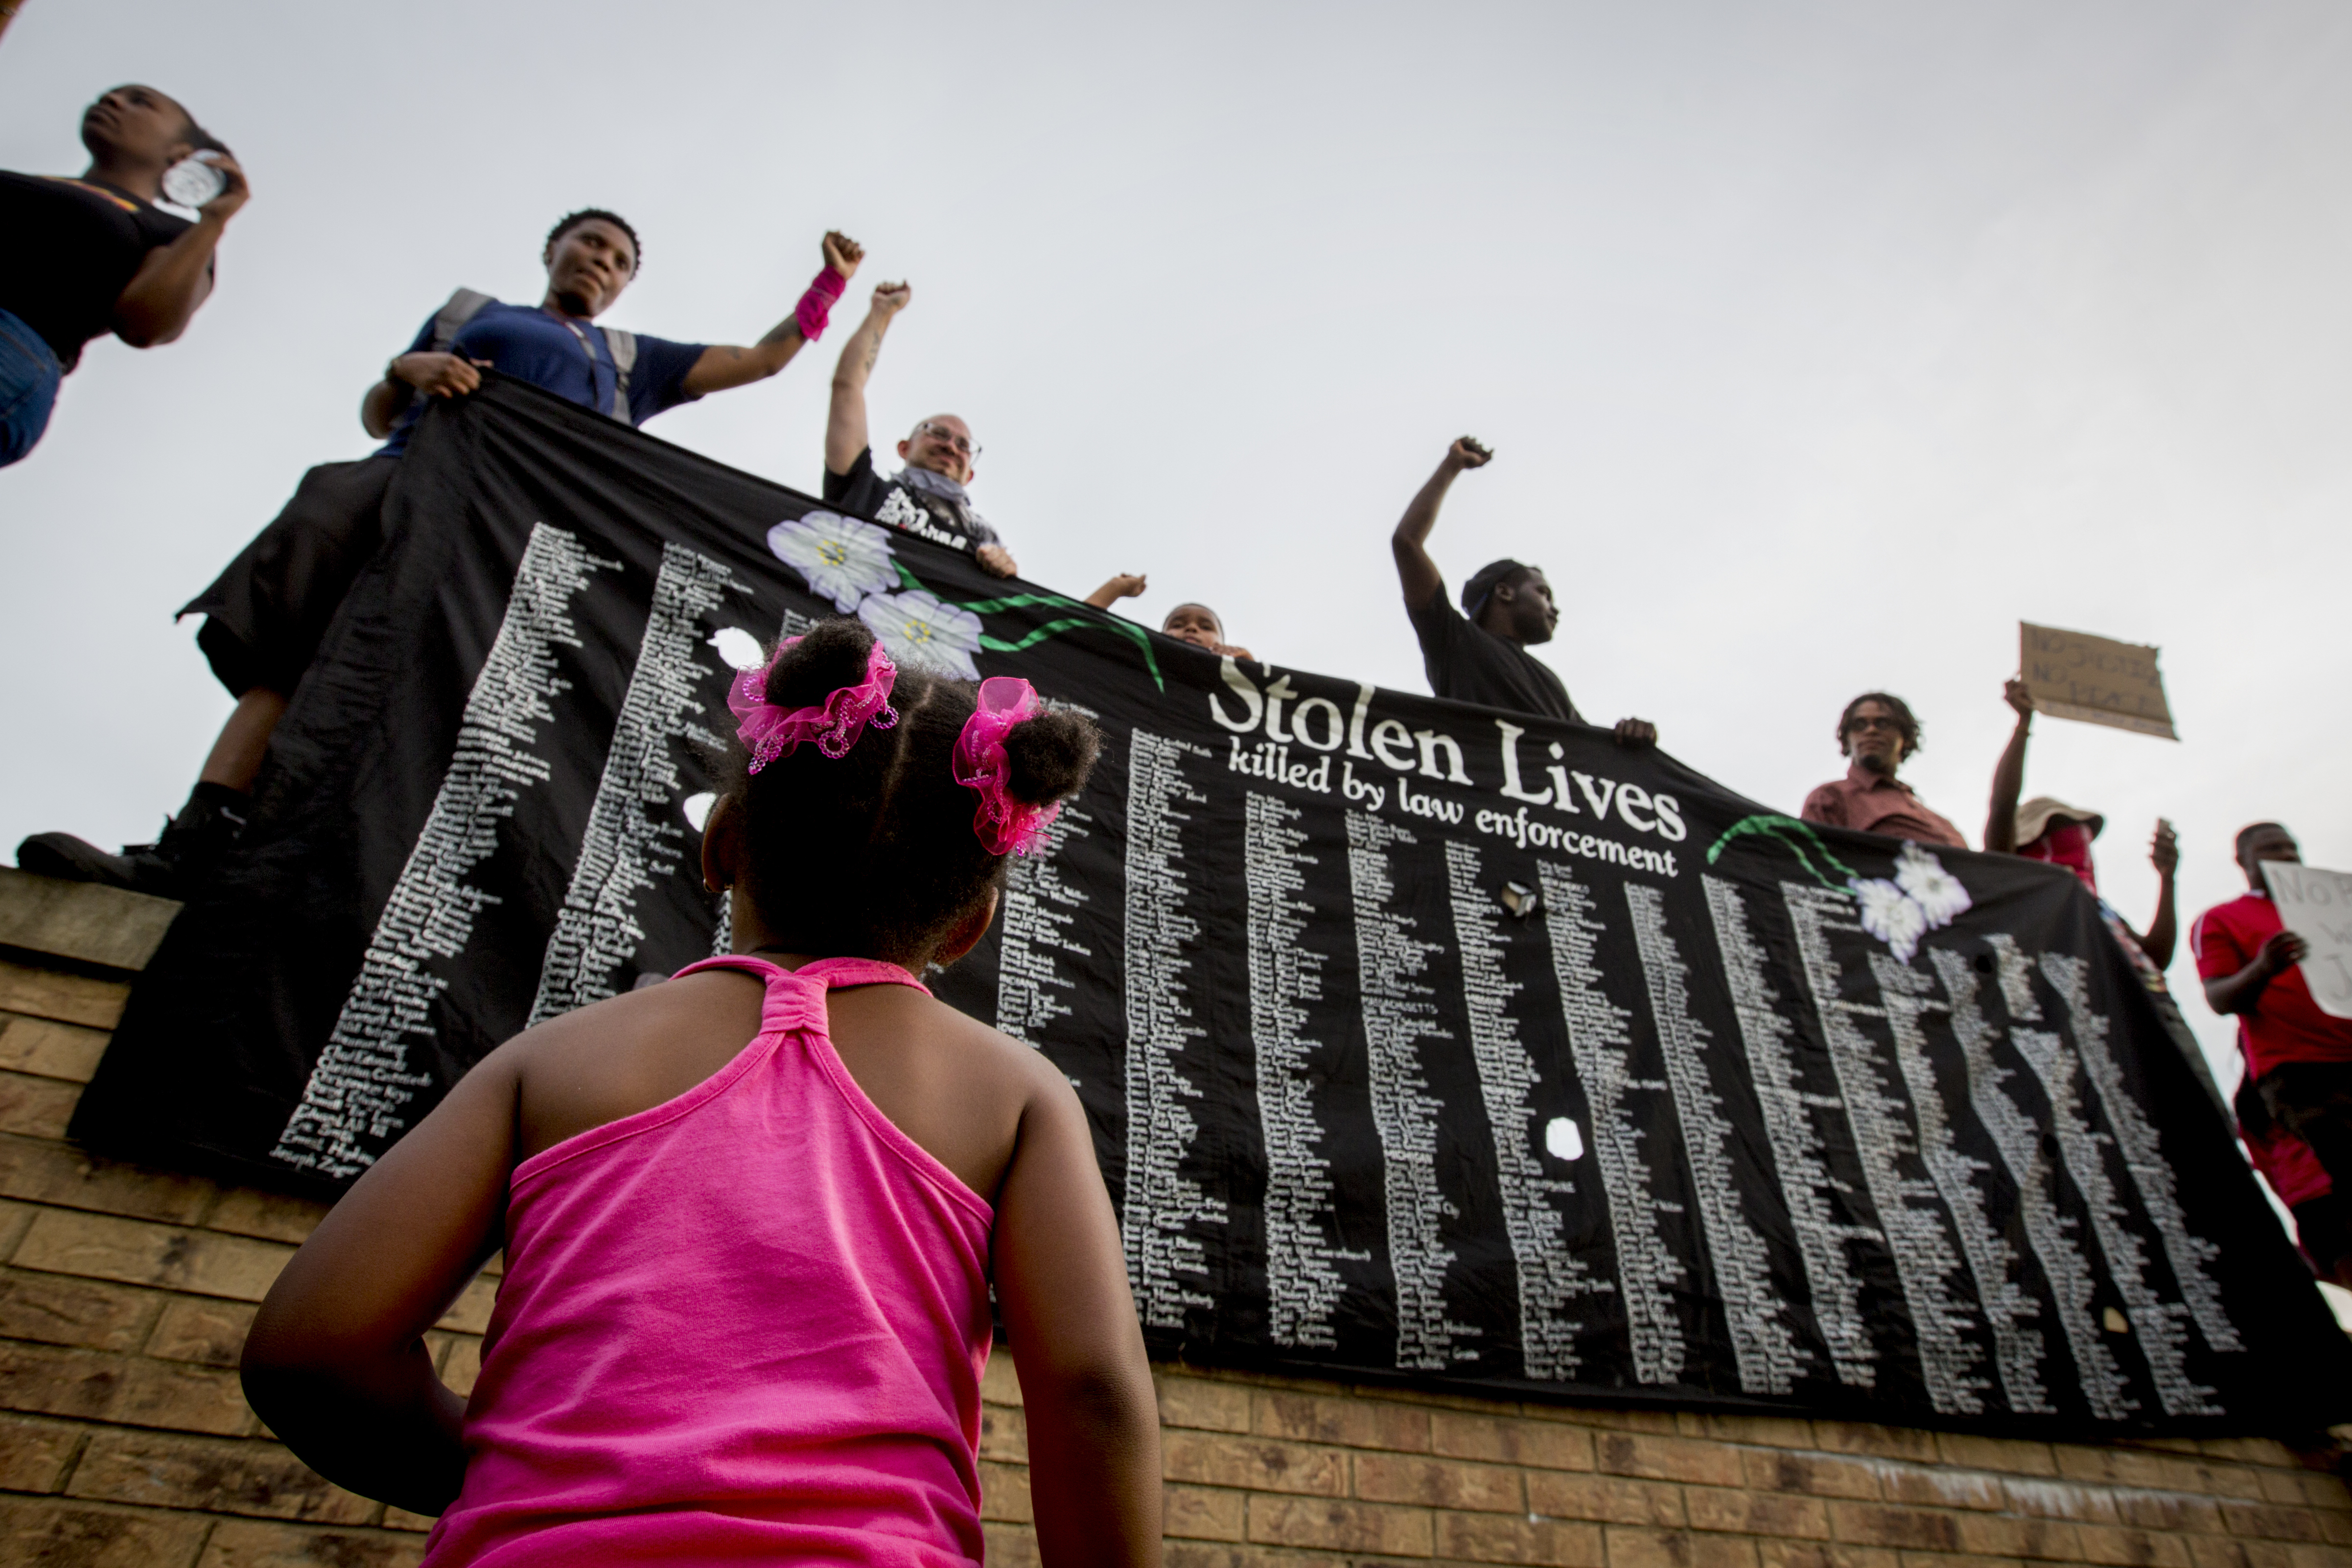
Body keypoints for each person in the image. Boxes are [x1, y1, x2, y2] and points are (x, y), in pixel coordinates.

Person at [241, 618, 1162, 1566]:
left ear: (719, 842)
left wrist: (526, 1477)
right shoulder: (1013, 1092)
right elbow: (1091, 1388)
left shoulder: (553, 1060)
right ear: (970, 923)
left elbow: (310, 1348)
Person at [17, 218, 862, 896]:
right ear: (553, 250)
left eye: (616, 259)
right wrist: (406, 367)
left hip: (501, 529)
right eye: (589, 244)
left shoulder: (631, 362)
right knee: (297, 662)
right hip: (400, 486)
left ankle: (310, 885)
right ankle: (191, 846)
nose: (599, 262)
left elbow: (762, 360)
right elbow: (381, 412)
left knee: (425, 701)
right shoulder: (472, 312)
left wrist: (828, 285)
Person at [0, 84, 250, 466]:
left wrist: (214, 221)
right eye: (111, 96)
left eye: (140, 102)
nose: (111, 101)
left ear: (182, 156)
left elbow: (144, 325)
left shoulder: (174, 232)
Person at [1390, 436, 1655, 744]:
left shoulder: (1551, 686)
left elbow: (1591, 758)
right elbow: (1407, 543)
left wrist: (1632, 738)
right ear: (1505, 593)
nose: (1554, 608)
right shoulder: (1456, 644)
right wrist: (1453, 465)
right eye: (1544, 594)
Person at [2194, 823, 2352, 1192]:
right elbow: (2218, 998)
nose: (2286, 856)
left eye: (2291, 847)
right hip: (2304, 1073)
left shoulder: (2334, 907)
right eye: (2271, 849)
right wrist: (2263, 968)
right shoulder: (2221, 919)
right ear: (2241, 860)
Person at [824, 280, 1018, 577]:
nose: (951, 446)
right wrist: (882, 311)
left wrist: (1007, 574)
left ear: (970, 474)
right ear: (904, 448)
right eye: (938, 433)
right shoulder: (865, 491)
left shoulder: (983, 540)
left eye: (963, 445)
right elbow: (847, 387)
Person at [1799, 691, 1965, 848]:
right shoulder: (1830, 798)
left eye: (1882, 724)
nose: (1871, 730)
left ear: (1905, 738)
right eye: (1859, 725)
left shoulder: (1940, 822)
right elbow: (1815, 865)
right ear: (1847, 740)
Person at [1084, 574, 1256, 659]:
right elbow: (1076, 631)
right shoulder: (1137, 663)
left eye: (1206, 627)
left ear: (1222, 643)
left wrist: (1251, 672)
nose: (1191, 628)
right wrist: (1116, 587)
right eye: (1177, 625)